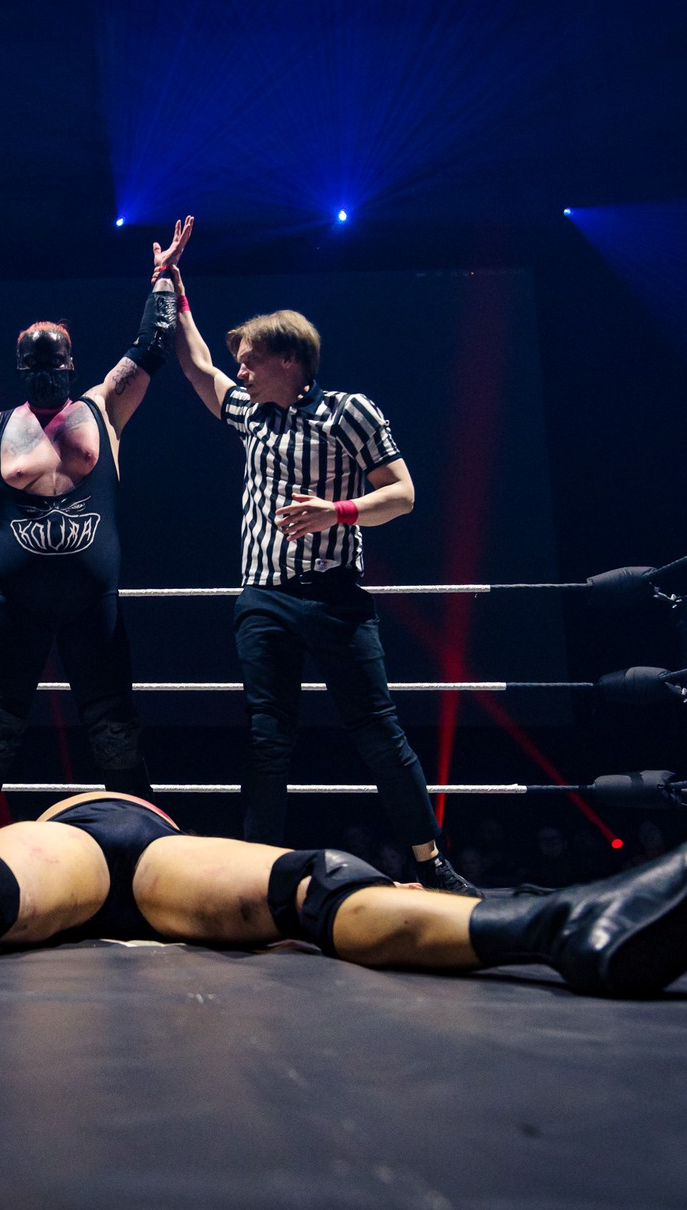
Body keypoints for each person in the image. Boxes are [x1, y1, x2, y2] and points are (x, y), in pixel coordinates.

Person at [0, 734, 687, 1000]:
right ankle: (547, 928)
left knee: (317, 878)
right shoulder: (123, 817)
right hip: (126, 853)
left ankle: (568, 927)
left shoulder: (97, 818)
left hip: (109, 853)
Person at [163, 254, 476, 895]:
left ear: (289, 360)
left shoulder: (348, 412)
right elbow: (198, 367)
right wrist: (175, 290)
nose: (240, 372)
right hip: (263, 598)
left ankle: (430, 864)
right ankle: (258, 879)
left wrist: (338, 511)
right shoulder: (251, 414)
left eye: (250, 361)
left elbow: (403, 494)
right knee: (266, 738)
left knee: (378, 730)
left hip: (335, 597)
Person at [0, 219, 193, 845]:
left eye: (53, 363)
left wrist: (163, 277)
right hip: (15, 607)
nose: (44, 375)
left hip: (91, 606)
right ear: (20, 368)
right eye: (33, 366)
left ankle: (149, 862)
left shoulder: (103, 406)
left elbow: (151, 346)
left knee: (116, 737)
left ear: (71, 363)